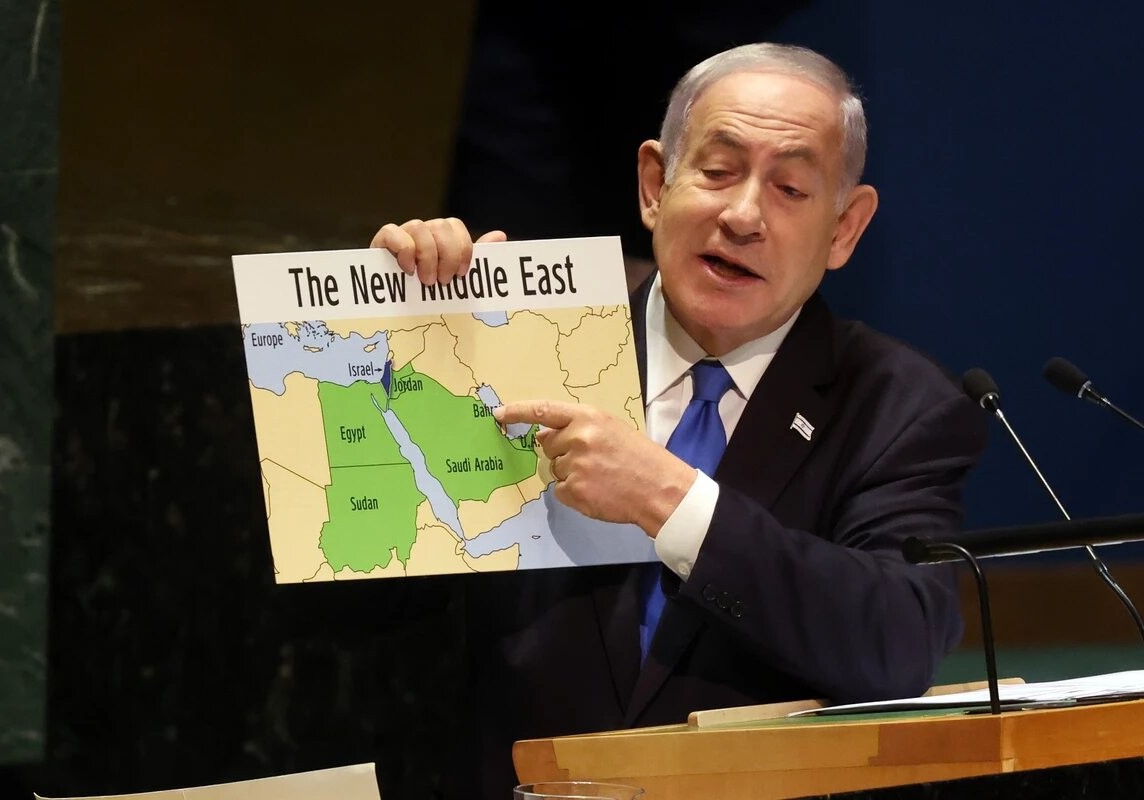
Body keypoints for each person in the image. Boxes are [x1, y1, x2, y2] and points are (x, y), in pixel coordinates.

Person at [371, 42, 986, 797]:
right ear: (654, 186)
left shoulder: (900, 405)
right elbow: (366, 610)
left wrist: (675, 504)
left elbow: (899, 642)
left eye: (791, 188)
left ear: (844, 229)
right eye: (718, 171)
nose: (743, 215)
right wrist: (395, 351)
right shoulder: (523, 340)